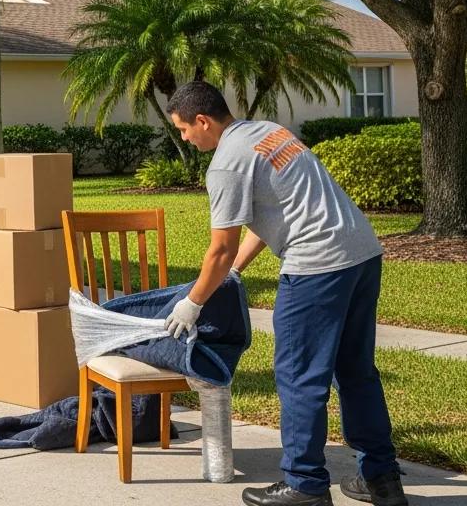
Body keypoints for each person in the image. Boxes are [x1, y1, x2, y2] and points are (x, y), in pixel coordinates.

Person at [163, 81, 407, 506]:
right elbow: (270, 211)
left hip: (316, 266)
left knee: (299, 376)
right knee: (356, 372)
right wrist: (237, 270)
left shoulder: (225, 164)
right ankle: (381, 480)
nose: (184, 137)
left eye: (184, 129)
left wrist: (193, 302)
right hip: (362, 253)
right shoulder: (268, 132)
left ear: (202, 121)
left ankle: (305, 486)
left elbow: (219, 247)